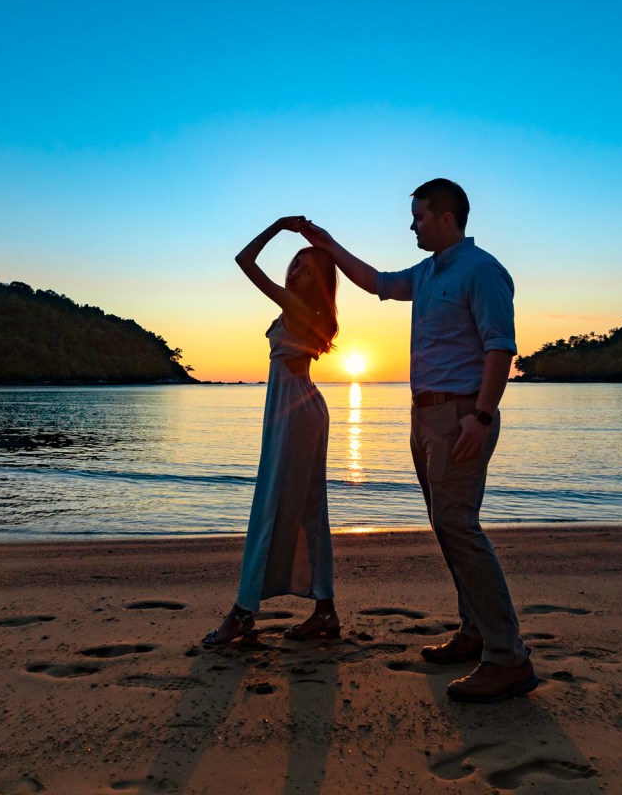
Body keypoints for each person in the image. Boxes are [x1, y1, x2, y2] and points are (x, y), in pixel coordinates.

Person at [300, 179, 536, 702]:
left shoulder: (483, 271)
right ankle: (475, 632)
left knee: (459, 526)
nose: (412, 226)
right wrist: (327, 244)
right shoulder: (428, 273)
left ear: (447, 218)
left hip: (461, 414)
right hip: (424, 415)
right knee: (446, 527)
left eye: (419, 217)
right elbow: (375, 281)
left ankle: (509, 658)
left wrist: (481, 416)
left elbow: (500, 349)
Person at [203, 215, 342, 646]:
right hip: (298, 409)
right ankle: (324, 611)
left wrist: (279, 226)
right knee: (307, 507)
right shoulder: (302, 310)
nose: (296, 270)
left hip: (295, 412)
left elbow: (245, 260)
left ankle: (242, 614)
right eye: (295, 263)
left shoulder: (298, 308)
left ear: (320, 283)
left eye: (307, 269)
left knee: (271, 507)